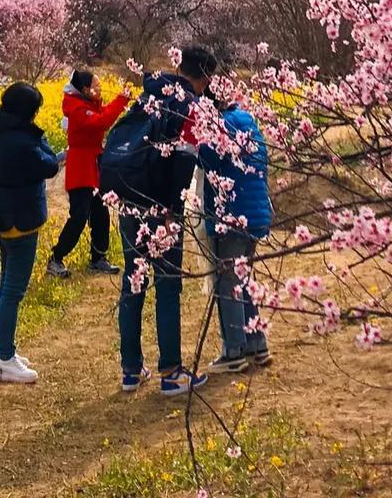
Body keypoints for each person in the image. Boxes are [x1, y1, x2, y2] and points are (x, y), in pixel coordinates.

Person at [115, 45, 218, 397]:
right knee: (168, 284)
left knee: (133, 279)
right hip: (161, 207)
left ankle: (130, 370)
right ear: (205, 77)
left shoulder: (148, 96)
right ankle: (171, 371)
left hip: (128, 200)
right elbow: (185, 161)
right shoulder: (190, 106)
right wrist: (174, 207)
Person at [0, 81, 64, 384]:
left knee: (5, 287)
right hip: (20, 222)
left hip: (3, 218)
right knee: (13, 291)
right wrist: (38, 136)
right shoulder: (21, 141)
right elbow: (50, 165)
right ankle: (5, 359)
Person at [199, 100, 273, 373]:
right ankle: (257, 343)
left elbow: (204, 156)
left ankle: (234, 351)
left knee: (228, 281)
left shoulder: (220, 125)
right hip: (256, 214)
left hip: (232, 216)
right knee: (242, 279)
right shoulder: (249, 123)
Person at [47, 70, 131, 278]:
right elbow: (102, 121)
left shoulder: (89, 104)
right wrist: (121, 100)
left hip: (94, 164)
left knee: (101, 213)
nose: (100, 88)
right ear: (85, 89)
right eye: (96, 85)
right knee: (79, 216)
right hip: (80, 167)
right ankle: (56, 257)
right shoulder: (76, 108)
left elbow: (103, 114)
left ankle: (98, 257)